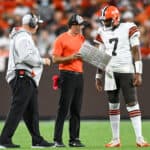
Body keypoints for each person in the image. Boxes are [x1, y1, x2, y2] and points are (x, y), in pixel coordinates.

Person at [95, 5, 150, 148]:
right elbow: (100, 56)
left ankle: (139, 138)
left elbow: (136, 51)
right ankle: (115, 139)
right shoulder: (101, 31)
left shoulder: (129, 27)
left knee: (132, 103)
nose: (104, 23)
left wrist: (138, 72)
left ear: (115, 19)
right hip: (109, 72)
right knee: (113, 105)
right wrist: (98, 75)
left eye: (107, 20)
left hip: (126, 69)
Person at [0, 13, 53, 148]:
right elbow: (26, 57)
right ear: (32, 24)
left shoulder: (22, 36)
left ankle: (37, 140)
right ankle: (4, 140)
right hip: (22, 76)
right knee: (17, 109)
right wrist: (43, 60)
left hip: (25, 77)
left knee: (32, 111)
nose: (37, 26)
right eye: (36, 23)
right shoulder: (23, 37)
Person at [51, 14, 85, 147]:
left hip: (79, 75)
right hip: (67, 75)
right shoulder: (61, 39)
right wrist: (70, 57)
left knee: (76, 109)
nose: (81, 27)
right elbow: (55, 59)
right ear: (73, 25)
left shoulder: (81, 38)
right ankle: (57, 139)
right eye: (79, 25)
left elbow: (81, 57)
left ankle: (74, 139)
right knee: (63, 109)